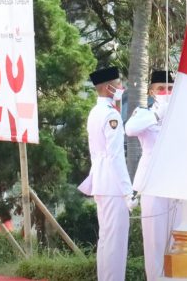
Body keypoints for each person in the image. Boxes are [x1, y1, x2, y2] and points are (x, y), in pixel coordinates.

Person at [78, 67, 134, 281]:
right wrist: (128, 191)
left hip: (102, 183)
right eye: (118, 84)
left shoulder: (96, 112)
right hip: (113, 186)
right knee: (115, 243)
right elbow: (116, 156)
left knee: (106, 240)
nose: (122, 88)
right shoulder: (111, 115)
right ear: (108, 88)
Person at [125, 69, 181, 281]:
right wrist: (158, 114)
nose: (166, 92)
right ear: (151, 91)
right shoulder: (144, 113)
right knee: (155, 242)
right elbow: (130, 129)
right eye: (161, 88)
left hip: (177, 185)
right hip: (152, 183)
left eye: (170, 88)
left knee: (179, 240)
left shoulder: (181, 114)